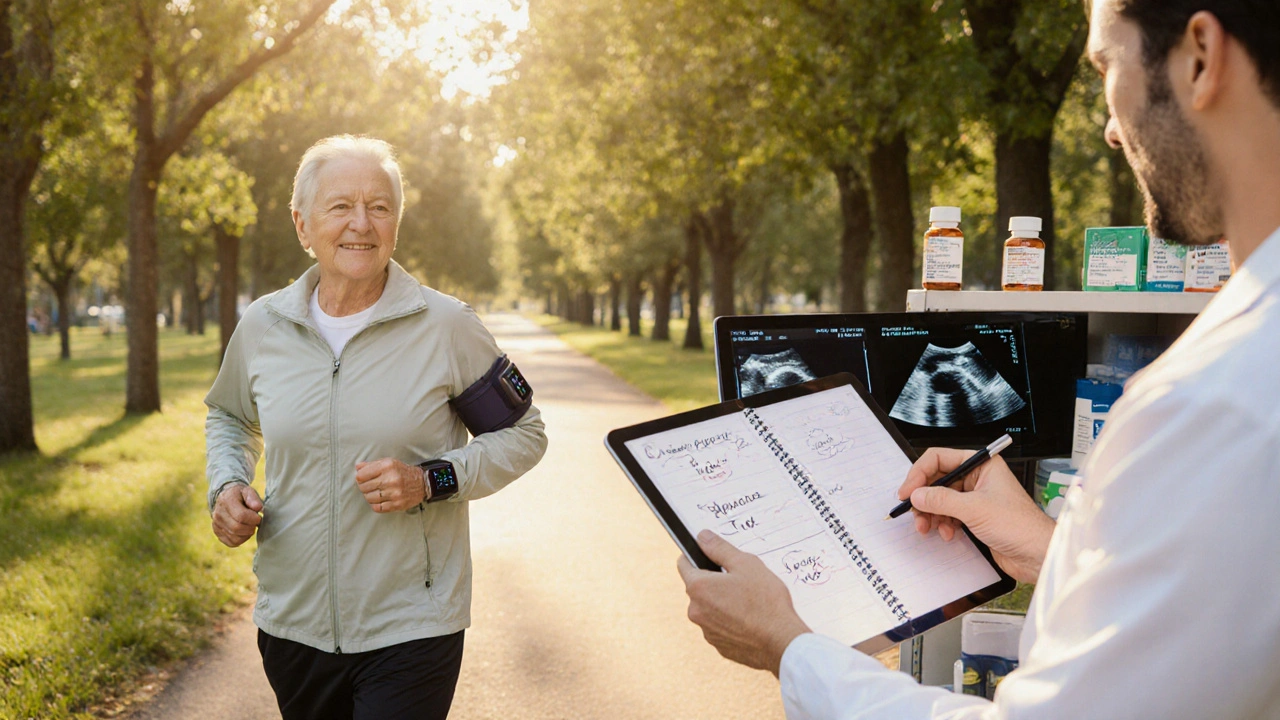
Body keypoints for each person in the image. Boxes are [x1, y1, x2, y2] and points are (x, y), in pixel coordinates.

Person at [678, 0, 1280, 717]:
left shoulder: (1220, 403)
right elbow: (1210, 614)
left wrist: (789, 645)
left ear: (1201, 57)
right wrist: (1048, 550)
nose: (1111, 130)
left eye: (1105, 66)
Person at [205, 135, 548, 720]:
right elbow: (230, 416)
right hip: (293, 623)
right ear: (302, 224)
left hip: (411, 626)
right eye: (340, 206)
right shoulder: (264, 325)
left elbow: (525, 434)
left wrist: (432, 479)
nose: (360, 224)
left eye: (379, 206)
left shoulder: (446, 326)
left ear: (396, 222)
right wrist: (227, 484)